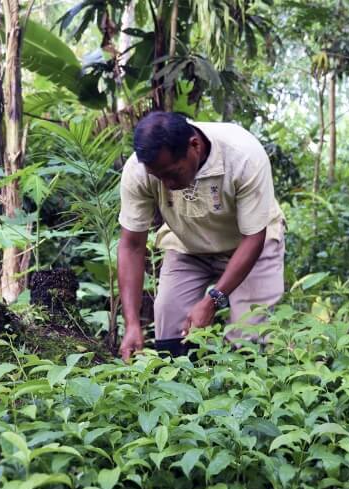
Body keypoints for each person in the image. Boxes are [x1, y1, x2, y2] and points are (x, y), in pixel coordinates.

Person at [117, 111, 285, 361]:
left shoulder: (243, 156)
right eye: (158, 177)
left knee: (248, 337)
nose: (166, 184)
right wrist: (131, 323)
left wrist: (213, 299)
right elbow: (131, 246)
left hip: (250, 246)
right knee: (170, 333)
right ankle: (183, 394)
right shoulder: (139, 171)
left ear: (194, 146)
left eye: (173, 173)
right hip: (187, 245)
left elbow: (253, 238)